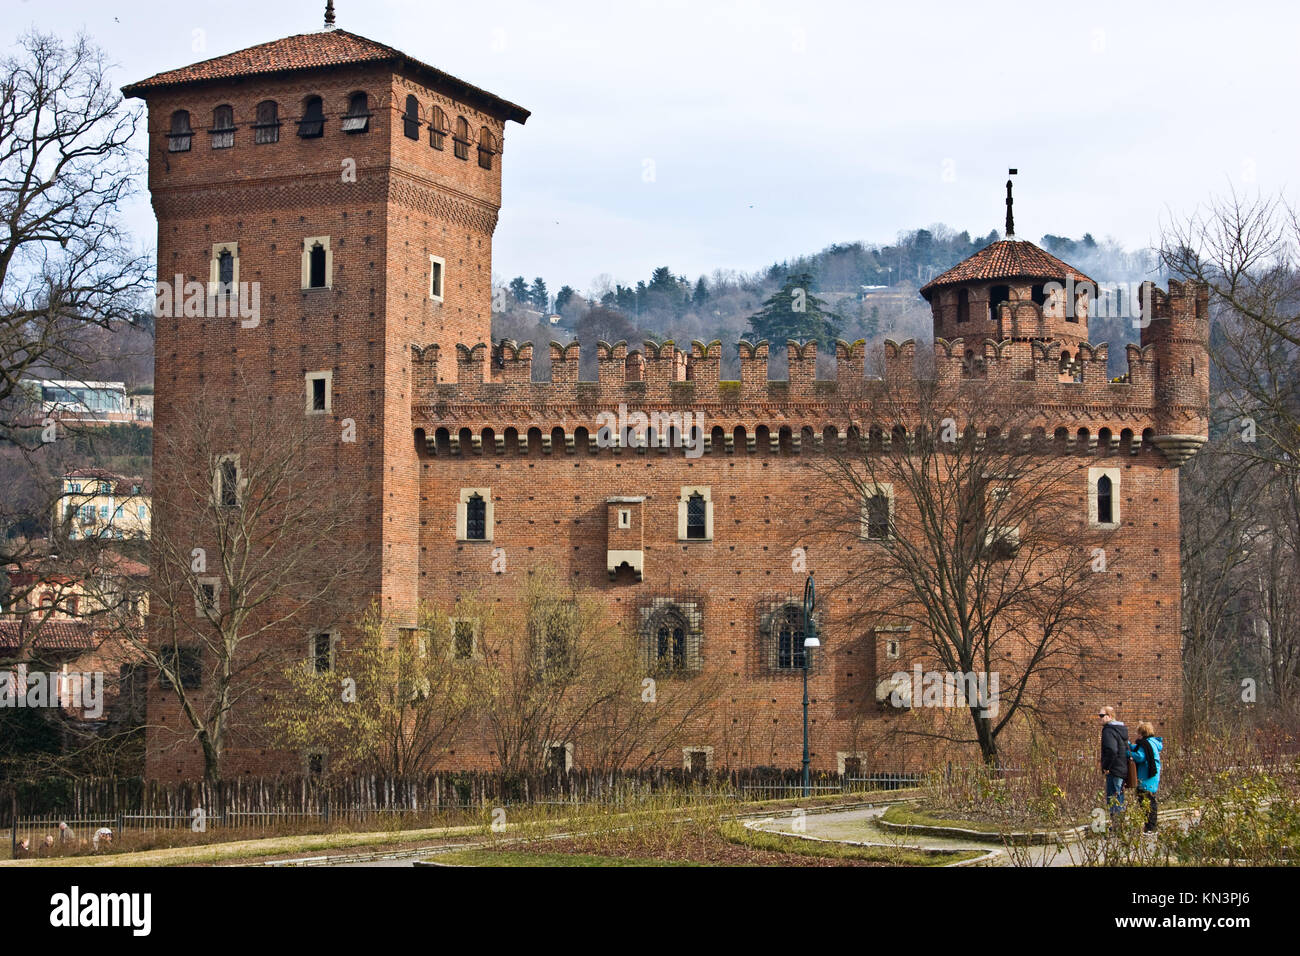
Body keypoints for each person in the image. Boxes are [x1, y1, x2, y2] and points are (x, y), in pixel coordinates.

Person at [1129, 721, 1164, 833]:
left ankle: (1150, 827)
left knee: (1147, 801)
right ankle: (1150, 826)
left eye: (1138, 732)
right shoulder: (1152, 742)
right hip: (1152, 775)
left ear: (1142, 733)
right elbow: (1137, 748)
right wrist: (1129, 745)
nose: (1137, 735)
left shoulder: (1145, 744)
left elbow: (1140, 756)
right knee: (1148, 799)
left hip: (1146, 776)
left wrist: (1127, 753)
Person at [1098, 705, 1129, 824]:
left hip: (1114, 769)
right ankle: (1119, 824)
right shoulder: (1121, 730)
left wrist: (1106, 766)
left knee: (1114, 797)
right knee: (1119, 796)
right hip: (1121, 768)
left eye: (1102, 715)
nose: (1099, 718)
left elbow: (1111, 750)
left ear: (1109, 716)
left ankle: (1116, 826)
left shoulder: (1109, 730)